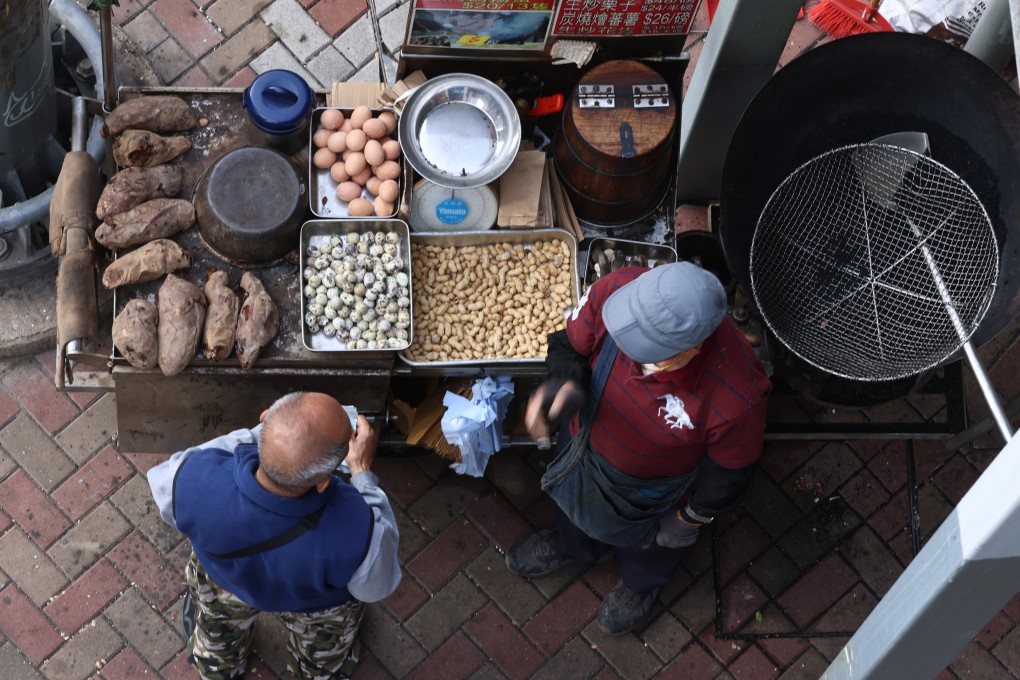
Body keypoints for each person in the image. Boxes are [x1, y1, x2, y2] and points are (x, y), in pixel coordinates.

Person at [507, 261, 770, 635]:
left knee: (651, 547)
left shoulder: (739, 394)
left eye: (648, 349)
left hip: (654, 490)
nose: (630, 355)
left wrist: (690, 517)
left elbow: (730, 472)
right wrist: (563, 385)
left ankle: (639, 585)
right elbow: (570, 345)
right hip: (585, 447)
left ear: (694, 347)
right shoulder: (619, 286)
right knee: (573, 515)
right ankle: (573, 547)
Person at [146, 392, 401, 679]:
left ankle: (218, 666)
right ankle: (314, 671)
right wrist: (362, 472)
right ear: (323, 482)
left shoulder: (195, 477)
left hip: (223, 580)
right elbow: (376, 585)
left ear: (264, 416)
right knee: (326, 643)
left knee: (218, 624)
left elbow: (165, 493)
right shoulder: (354, 525)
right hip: (312, 603)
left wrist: (263, 435)